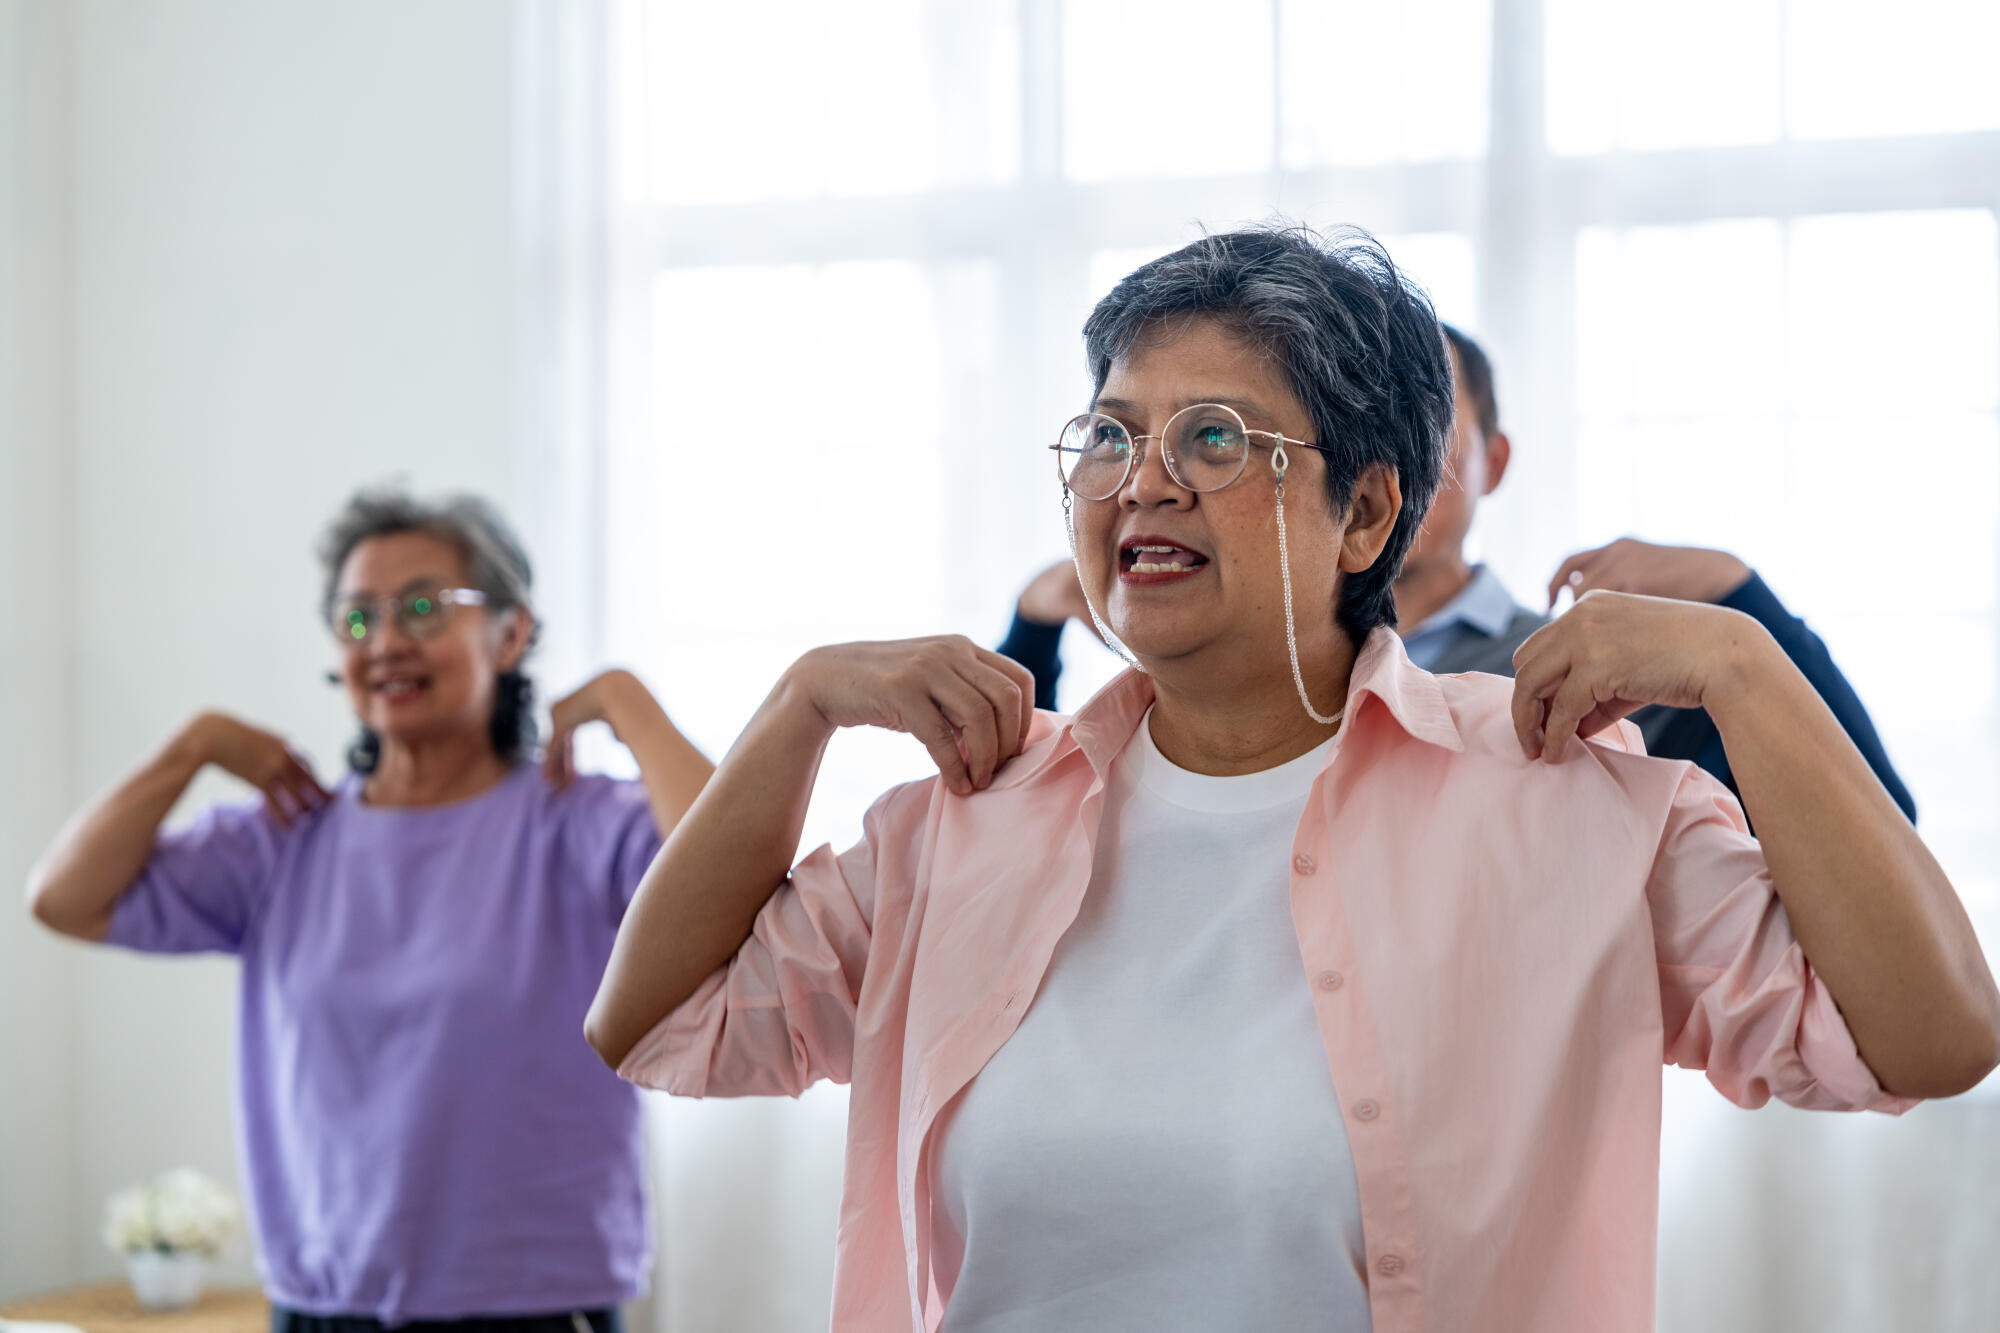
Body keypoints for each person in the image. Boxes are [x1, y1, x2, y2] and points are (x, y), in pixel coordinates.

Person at [584, 225, 1999, 1332]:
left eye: (1214, 438)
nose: (1142, 481)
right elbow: (654, 1023)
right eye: (1111, 434)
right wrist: (798, 706)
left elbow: (1932, 1037)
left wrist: (1750, 670)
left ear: (1370, 507)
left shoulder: (1562, 802)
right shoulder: (965, 823)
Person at [26, 491, 714, 1333]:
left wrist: (627, 700)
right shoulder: (284, 839)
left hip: (533, 1304)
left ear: (511, 633)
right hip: (322, 1305)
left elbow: (735, 881)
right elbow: (63, 898)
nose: (386, 641)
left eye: (424, 608)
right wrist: (192, 745)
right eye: (357, 619)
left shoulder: (571, 820)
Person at [999, 329, 1917, 820]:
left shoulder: (1583, 671)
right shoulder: (1248, 653)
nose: (1391, 471)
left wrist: (1743, 612)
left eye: (1425, 439)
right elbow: (1029, 818)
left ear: (1494, 459)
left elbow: (1851, 857)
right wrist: (1035, 630)